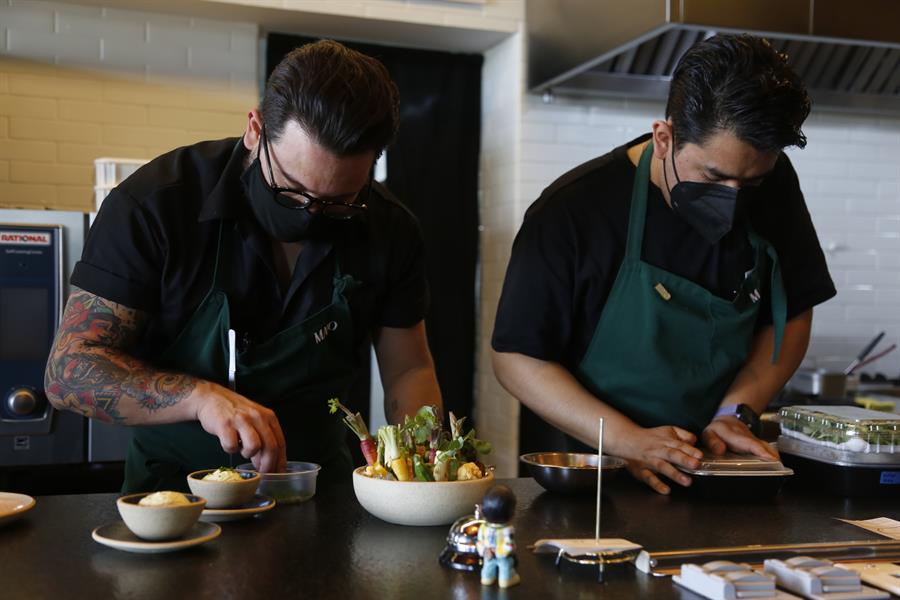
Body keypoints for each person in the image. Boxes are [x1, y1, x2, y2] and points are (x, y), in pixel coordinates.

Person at [44, 40, 443, 493]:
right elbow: (68, 370)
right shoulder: (156, 205)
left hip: (318, 494)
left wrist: (428, 469)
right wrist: (198, 398)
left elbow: (409, 369)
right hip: (176, 501)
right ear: (255, 130)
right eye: (291, 191)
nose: (310, 213)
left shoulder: (390, 229)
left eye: (338, 203)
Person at [491, 34, 836, 495]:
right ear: (664, 138)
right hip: (593, 482)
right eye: (712, 177)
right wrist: (625, 440)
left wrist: (735, 413)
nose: (733, 200)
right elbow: (516, 358)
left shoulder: (773, 189)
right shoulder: (572, 213)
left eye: (751, 182)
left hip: (714, 475)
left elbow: (791, 314)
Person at [476, 485, 519, 589]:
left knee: (487, 567)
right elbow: (508, 544)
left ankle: (487, 578)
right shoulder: (507, 530)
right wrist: (501, 551)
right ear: (511, 513)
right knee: (506, 566)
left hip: (488, 554)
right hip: (502, 556)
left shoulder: (483, 527)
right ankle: (506, 580)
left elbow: (479, 541)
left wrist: (485, 551)